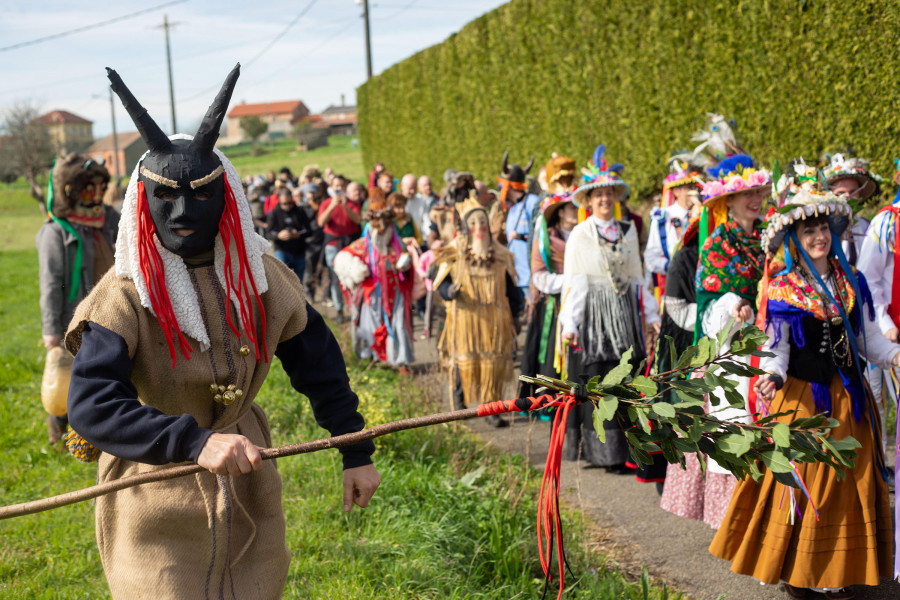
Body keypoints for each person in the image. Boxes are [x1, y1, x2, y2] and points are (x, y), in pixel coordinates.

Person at [64, 64, 379, 600]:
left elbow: (318, 363)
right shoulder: (122, 296)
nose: (184, 211)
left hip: (247, 481)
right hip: (151, 491)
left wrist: (355, 449)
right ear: (142, 201)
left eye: (202, 195)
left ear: (227, 194)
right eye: (166, 196)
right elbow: (91, 406)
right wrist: (192, 441)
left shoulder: (262, 278)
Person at [710, 164, 896, 598]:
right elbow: (778, 349)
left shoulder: (850, 280)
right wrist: (771, 377)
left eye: (822, 228)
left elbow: (866, 338)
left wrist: (895, 356)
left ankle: (842, 569)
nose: (818, 236)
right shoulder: (783, 288)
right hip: (804, 400)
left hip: (849, 398)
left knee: (850, 479)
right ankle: (798, 570)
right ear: (794, 238)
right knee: (807, 481)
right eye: (808, 230)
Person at [659, 152, 771, 528]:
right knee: (735, 426)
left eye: (758, 192)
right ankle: (733, 520)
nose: (755, 200)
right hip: (733, 349)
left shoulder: (772, 235)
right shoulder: (717, 244)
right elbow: (707, 312)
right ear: (728, 201)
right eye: (746, 194)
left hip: (772, 345)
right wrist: (733, 303)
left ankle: (767, 515)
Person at [558, 147, 660, 471]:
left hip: (625, 313)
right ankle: (603, 452)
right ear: (588, 200)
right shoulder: (579, 235)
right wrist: (570, 324)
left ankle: (629, 451)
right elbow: (574, 281)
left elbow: (638, 278)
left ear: (616, 197)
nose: (604, 199)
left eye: (608, 194)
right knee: (600, 380)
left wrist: (653, 317)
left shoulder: (628, 231)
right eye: (598, 194)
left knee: (625, 377)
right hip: (595, 318)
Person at [37, 153, 119, 444]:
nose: (96, 194)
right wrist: (51, 332)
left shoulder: (109, 220)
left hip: (112, 309)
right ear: (71, 190)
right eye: (89, 187)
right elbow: (50, 284)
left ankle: (101, 427)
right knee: (71, 378)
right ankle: (59, 432)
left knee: (107, 371)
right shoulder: (56, 232)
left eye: (100, 186)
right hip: (75, 317)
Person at [434, 195, 523, 426]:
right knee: (465, 360)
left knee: (491, 364)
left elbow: (512, 290)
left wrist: (516, 314)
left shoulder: (501, 254)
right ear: (466, 227)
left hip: (494, 321)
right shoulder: (456, 249)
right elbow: (440, 282)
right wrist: (450, 291)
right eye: (473, 223)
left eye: (482, 222)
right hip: (465, 319)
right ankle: (460, 398)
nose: (479, 228)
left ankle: (491, 411)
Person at [334, 193, 414, 373]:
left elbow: (407, 266)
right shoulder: (364, 244)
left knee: (399, 325)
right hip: (373, 293)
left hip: (395, 293)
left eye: (385, 228)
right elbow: (342, 258)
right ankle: (377, 358)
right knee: (371, 325)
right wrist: (357, 270)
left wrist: (405, 267)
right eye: (378, 228)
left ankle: (401, 361)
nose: (381, 232)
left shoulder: (397, 245)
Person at [519, 192, 578, 402]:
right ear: (560, 212)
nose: (576, 211)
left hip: (580, 303)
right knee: (551, 357)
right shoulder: (547, 240)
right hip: (554, 304)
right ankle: (550, 400)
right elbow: (539, 276)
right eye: (571, 207)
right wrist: (570, 282)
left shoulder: (584, 235)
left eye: (578, 207)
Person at [644, 156, 704, 300]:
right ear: (676, 191)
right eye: (689, 188)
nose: (694, 192)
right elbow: (651, 255)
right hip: (674, 286)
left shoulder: (705, 215)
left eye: (696, 187)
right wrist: (674, 268)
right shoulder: (663, 217)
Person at [318, 176, 362, 323]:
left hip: (350, 245)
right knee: (335, 278)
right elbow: (321, 222)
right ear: (331, 186)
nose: (339, 189)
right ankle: (339, 310)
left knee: (354, 276)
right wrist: (332, 206)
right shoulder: (325, 203)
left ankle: (355, 308)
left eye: (342, 186)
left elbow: (357, 219)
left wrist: (344, 206)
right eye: (336, 186)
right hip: (333, 245)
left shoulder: (353, 204)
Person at [500, 152, 539, 299]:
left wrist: (521, 237)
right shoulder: (512, 209)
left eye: (501, 185)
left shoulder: (532, 202)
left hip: (530, 275)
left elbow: (541, 234)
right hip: (516, 275)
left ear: (508, 186)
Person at [266, 187, 310, 283]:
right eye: (284, 204)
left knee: (298, 281)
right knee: (283, 280)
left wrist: (298, 234)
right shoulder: (274, 213)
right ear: (280, 201)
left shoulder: (300, 211)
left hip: (298, 251)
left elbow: (308, 230)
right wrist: (279, 236)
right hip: (282, 249)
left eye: (290, 203)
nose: (288, 206)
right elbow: (268, 233)